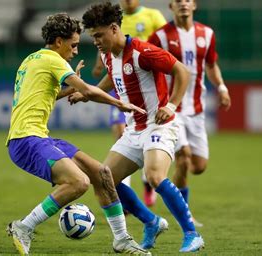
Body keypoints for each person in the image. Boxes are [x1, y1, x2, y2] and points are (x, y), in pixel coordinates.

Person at [5, 13, 151, 255]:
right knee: (79, 182)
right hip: (26, 140)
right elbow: (89, 91)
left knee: (101, 173)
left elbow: (44, 94)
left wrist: (69, 89)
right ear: (59, 41)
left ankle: (121, 239)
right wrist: (119, 104)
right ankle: (23, 227)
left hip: (38, 137)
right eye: (73, 45)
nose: (75, 51)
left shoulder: (32, 59)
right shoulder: (53, 60)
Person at [71, 2, 205, 252]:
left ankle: (192, 234)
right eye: (93, 37)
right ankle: (151, 222)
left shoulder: (144, 52)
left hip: (159, 125)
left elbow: (182, 71)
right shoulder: (108, 54)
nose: (96, 41)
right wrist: (90, 93)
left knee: (155, 176)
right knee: (104, 180)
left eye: (99, 35)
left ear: (114, 29)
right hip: (133, 129)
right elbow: (113, 77)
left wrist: (172, 106)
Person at [148, 0, 231, 227]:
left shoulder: (207, 33)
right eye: (178, 1)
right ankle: (185, 215)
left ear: (194, 5)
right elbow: (146, 65)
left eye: (187, 0)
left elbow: (211, 65)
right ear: (171, 6)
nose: (183, 4)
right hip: (171, 109)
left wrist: (222, 88)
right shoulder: (160, 37)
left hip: (196, 110)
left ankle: (167, 175)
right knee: (183, 157)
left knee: (199, 166)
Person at [91, 0, 167, 206]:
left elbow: (164, 43)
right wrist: (98, 69)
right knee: (119, 131)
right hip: (121, 85)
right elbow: (109, 56)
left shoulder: (152, 16)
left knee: (160, 162)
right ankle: (126, 190)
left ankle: (147, 183)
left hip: (143, 82)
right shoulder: (110, 26)